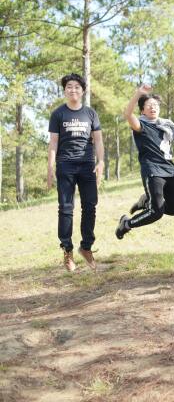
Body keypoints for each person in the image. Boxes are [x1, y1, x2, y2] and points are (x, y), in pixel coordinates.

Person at [47, 73, 104, 272]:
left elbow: (97, 140)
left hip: (87, 165)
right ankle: (67, 250)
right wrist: (50, 167)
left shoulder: (90, 114)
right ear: (65, 91)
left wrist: (101, 162)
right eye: (69, 87)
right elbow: (53, 143)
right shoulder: (58, 114)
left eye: (77, 87)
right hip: (65, 165)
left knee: (90, 206)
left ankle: (86, 247)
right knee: (65, 208)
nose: (73, 90)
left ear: (82, 91)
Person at [115, 84, 174, 240]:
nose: (153, 108)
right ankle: (126, 224)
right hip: (153, 171)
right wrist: (138, 93)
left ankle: (145, 201)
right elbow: (127, 113)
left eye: (156, 105)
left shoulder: (164, 126)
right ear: (142, 110)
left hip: (170, 170)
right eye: (149, 105)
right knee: (156, 212)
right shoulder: (141, 126)